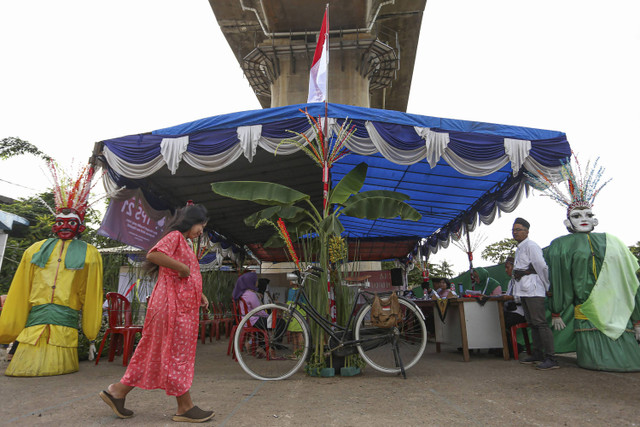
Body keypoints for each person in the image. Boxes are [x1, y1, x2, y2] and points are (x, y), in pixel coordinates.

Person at [100, 204, 215, 423]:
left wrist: (199, 294)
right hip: (171, 308)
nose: (202, 230)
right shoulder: (175, 237)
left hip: (176, 306)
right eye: (201, 225)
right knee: (176, 353)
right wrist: (182, 269)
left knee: (152, 352)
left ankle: (117, 392)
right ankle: (185, 406)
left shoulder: (185, 243)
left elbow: (185, 275)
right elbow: (154, 254)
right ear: (191, 221)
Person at [0, 164, 103, 377]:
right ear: (54, 225)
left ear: (80, 227)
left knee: (58, 365)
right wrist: (10, 326)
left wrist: (91, 333)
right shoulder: (34, 250)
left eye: (71, 223)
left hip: (66, 317)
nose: (65, 226)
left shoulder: (90, 254)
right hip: (35, 320)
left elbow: (92, 294)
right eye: (60, 222)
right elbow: (20, 289)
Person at [546, 206, 640, 371]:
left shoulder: (613, 241)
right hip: (590, 305)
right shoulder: (562, 244)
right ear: (567, 222)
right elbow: (561, 280)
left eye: (589, 215)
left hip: (614, 305)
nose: (584, 219)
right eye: (577, 216)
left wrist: (637, 319)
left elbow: (629, 280)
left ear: (595, 220)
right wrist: (557, 309)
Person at [511, 217, 557, 370]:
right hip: (524, 289)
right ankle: (537, 354)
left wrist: (547, 286)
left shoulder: (531, 246)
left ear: (527, 231)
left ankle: (551, 357)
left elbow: (542, 267)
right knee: (532, 323)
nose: (515, 232)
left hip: (534, 289)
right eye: (513, 230)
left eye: (518, 229)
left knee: (540, 323)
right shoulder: (519, 248)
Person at [232, 271, 286, 358]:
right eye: (255, 280)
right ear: (251, 282)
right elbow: (259, 310)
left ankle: (261, 348)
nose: (257, 282)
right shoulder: (251, 295)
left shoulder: (243, 293)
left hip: (247, 321)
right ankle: (273, 346)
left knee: (264, 327)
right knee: (281, 322)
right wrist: (269, 317)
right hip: (253, 321)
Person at [503, 257, 527, 358]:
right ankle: (506, 348)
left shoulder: (523, 280)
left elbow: (525, 298)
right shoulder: (511, 282)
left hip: (521, 312)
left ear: (514, 267)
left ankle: (514, 348)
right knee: (496, 319)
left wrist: (511, 297)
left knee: (503, 321)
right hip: (511, 310)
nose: (506, 270)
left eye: (507, 267)